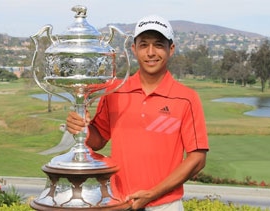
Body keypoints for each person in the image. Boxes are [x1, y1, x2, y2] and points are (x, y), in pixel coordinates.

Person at [66, 15, 209, 211]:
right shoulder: (114, 91)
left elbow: (198, 159)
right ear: (134, 49)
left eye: (159, 45)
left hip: (165, 205)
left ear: (171, 49)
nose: (151, 53)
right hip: (119, 202)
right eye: (144, 45)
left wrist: (152, 194)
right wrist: (81, 129)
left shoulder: (186, 98)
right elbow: (97, 141)